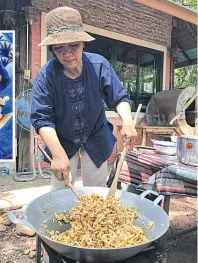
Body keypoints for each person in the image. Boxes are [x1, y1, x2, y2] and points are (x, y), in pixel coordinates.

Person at [30, 6, 137, 190]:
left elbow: (119, 98)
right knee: (61, 191)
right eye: (59, 48)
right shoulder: (45, 75)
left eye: (74, 46)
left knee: (96, 191)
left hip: (96, 136)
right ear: (53, 50)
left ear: (83, 43)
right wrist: (57, 154)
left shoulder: (99, 65)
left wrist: (127, 120)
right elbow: (42, 118)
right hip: (61, 140)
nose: (68, 53)